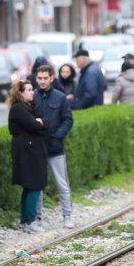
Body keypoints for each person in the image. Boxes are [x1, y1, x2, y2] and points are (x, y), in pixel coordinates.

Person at [33, 65, 75, 229]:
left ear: (51, 78)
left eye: (45, 78)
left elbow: (68, 119)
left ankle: (67, 216)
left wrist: (58, 137)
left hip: (55, 148)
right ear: (36, 79)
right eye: (39, 78)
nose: (42, 81)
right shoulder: (32, 97)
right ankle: (37, 218)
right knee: (38, 186)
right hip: (37, 149)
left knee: (62, 184)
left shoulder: (60, 97)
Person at [7, 80, 48, 232]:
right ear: (20, 93)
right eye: (29, 90)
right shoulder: (18, 108)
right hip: (27, 151)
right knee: (33, 184)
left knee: (31, 185)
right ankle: (30, 221)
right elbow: (35, 125)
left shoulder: (29, 106)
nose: (32, 92)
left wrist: (40, 123)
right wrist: (39, 123)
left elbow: (45, 121)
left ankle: (25, 220)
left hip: (32, 149)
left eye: (32, 89)